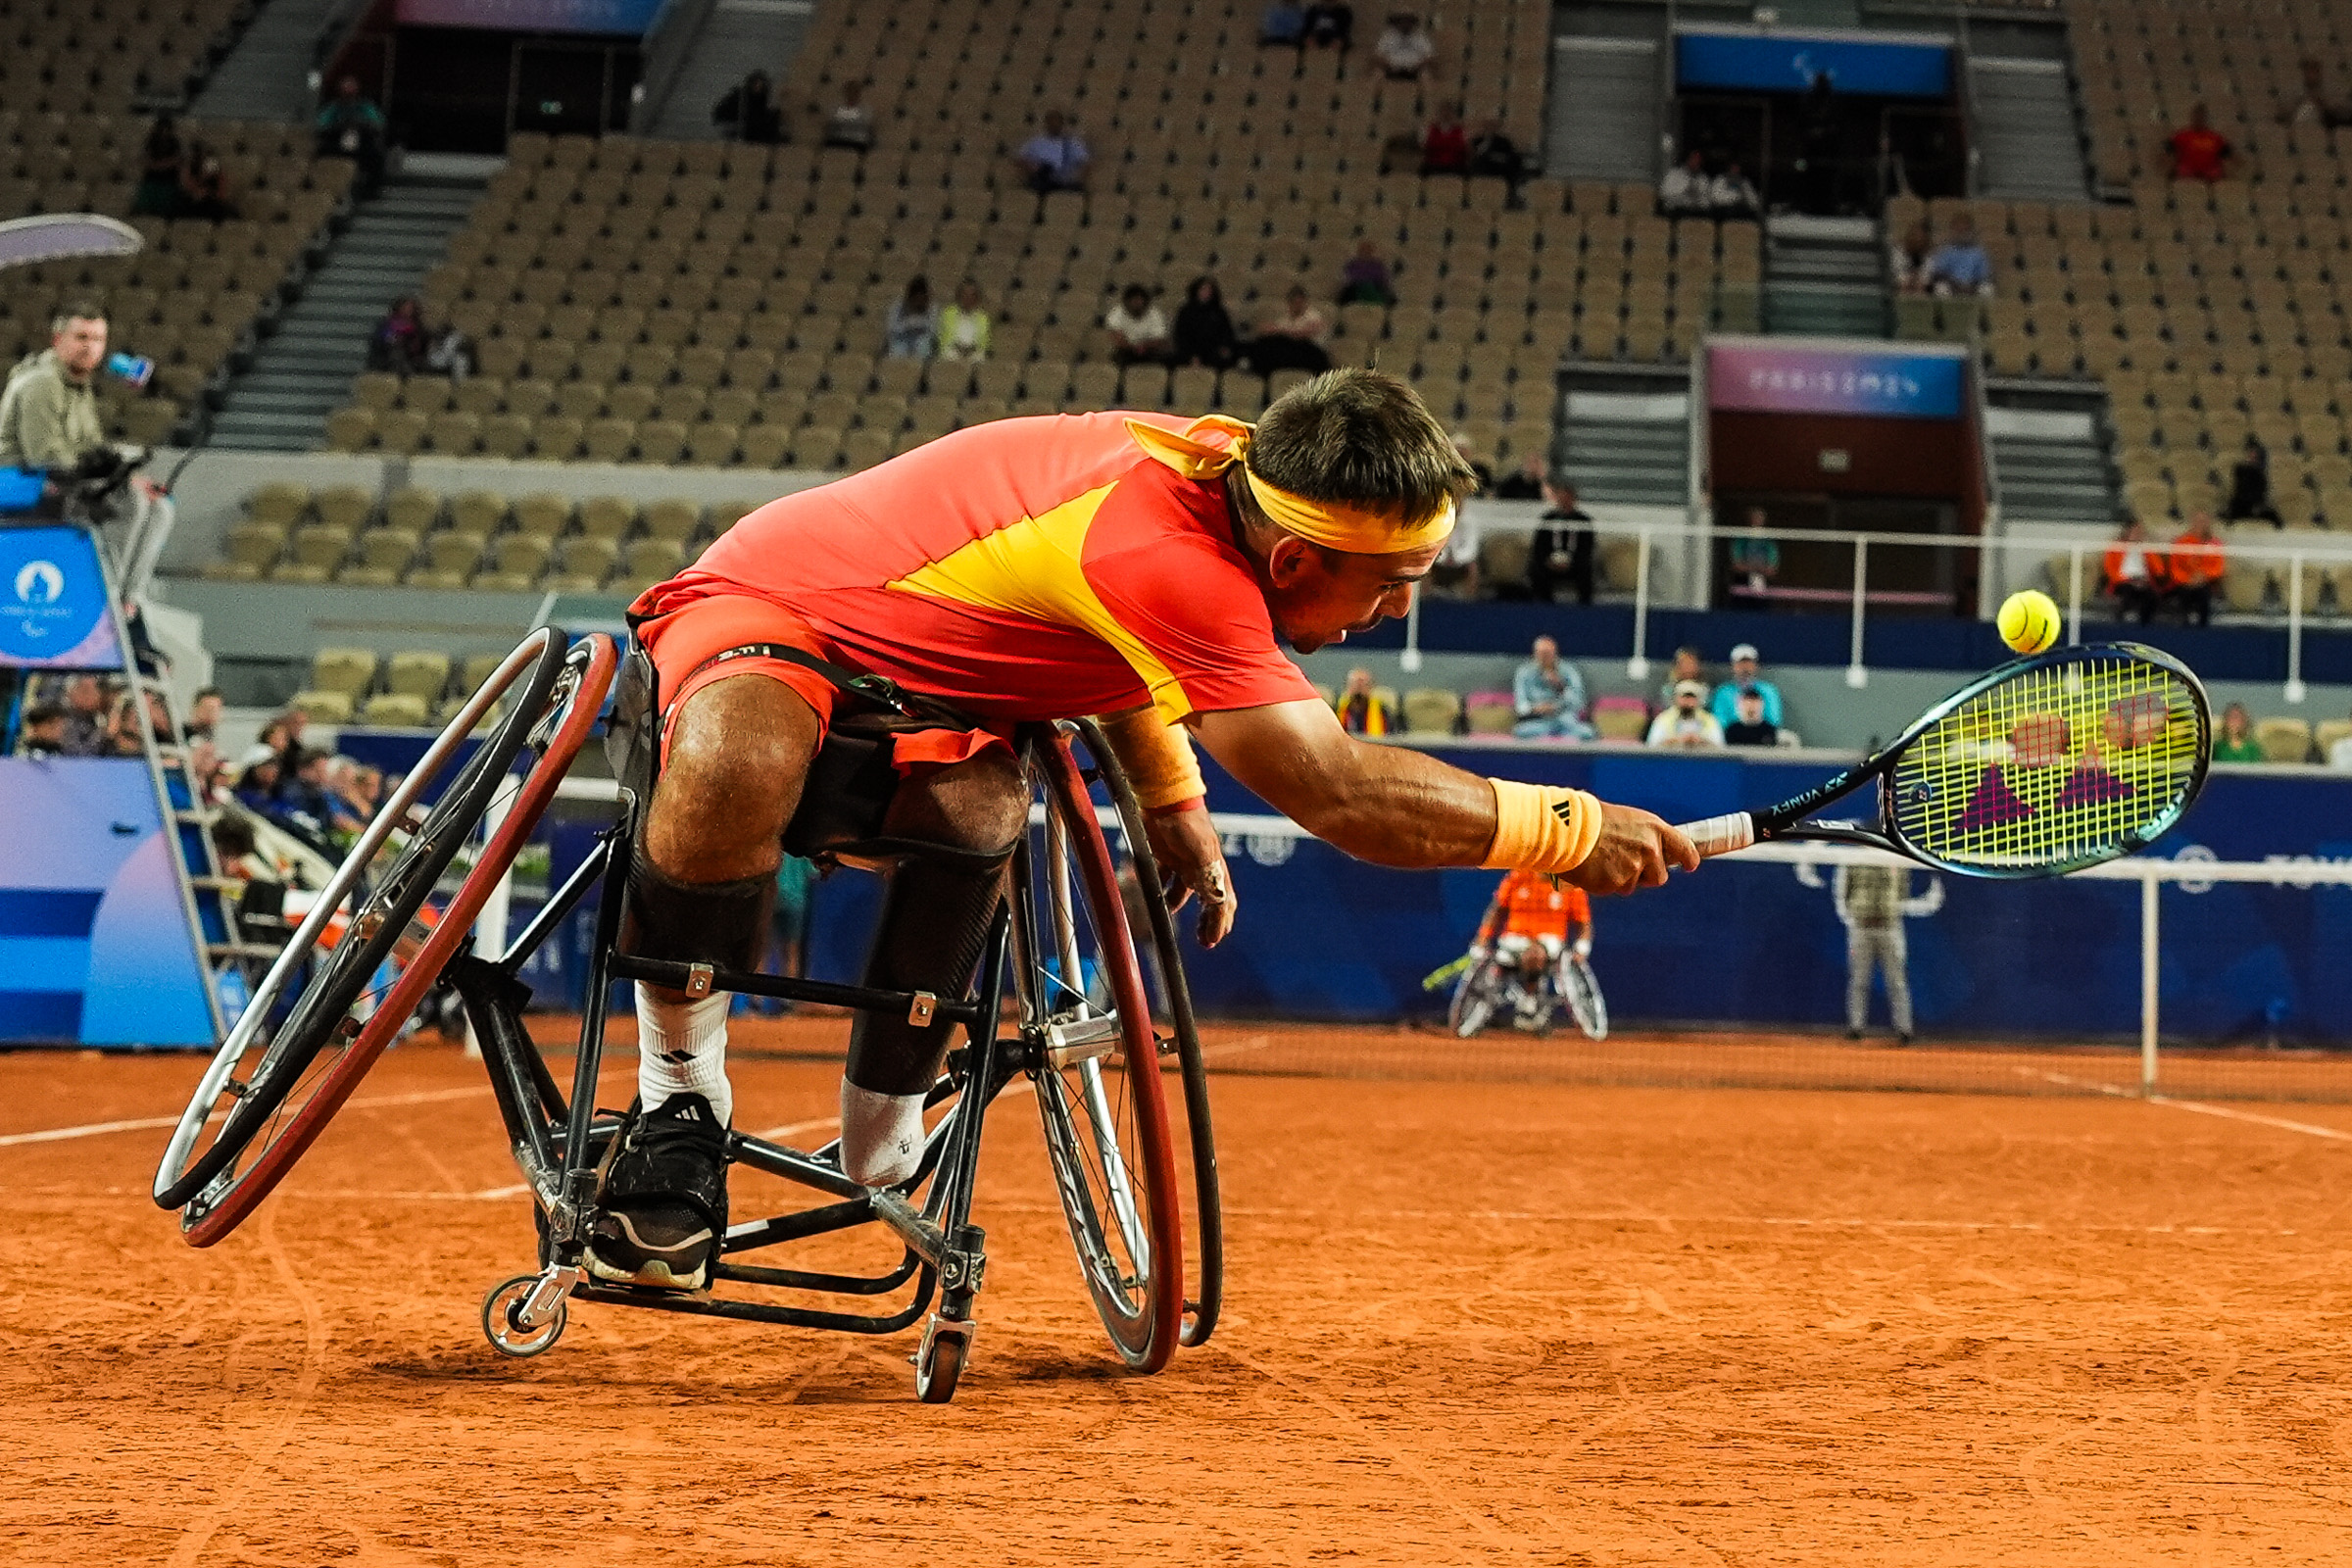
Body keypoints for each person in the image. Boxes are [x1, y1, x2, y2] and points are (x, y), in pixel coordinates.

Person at [599, 368, 1696, 1289]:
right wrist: (1567, 826)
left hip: (946, 677)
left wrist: (1175, 804)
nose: (1399, 613)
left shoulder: (1236, 469)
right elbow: (1342, 794)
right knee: (741, 755)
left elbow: (1113, 635)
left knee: (983, 809)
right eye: (1394, 583)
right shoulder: (1169, 556)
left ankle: (884, 1126)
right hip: (780, 602)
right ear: (1294, 562)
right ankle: (680, 1106)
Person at [1827, 862, 1940, 1044]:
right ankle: (1856, 1028)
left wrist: (1892, 911)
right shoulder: (1853, 860)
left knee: (1897, 982)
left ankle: (1904, 1030)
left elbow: (1902, 891)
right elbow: (1843, 891)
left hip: (1890, 927)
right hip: (1860, 927)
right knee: (1859, 980)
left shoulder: (1896, 861)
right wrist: (1852, 916)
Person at [1471, 867, 1592, 1027]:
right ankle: (1486, 1002)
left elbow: (1583, 923)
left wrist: (1582, 947)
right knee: (1500, 958)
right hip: (1515, 939)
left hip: (1550, 941)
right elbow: (1496, 910)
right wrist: (1481, 940)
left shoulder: (1569, 885)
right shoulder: (1517, 877)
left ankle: (1530, 996)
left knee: (1535, 954)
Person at [0, 302, 109, 479]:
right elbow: (46, 459)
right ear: (58, 339)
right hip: (20, 490)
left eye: (98, 339)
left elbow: (91, 446)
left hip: (55, 488)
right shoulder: (42, 382)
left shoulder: (79, 384)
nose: (90, 347)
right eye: (81, 337)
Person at [316, 76, 388, 196]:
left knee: (377, 155)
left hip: (362, 144)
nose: (348, 98)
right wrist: (340, 125)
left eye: (351, 94)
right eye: (345, 94)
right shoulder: (333, 108)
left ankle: (371, 190)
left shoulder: (366, 107)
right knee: (320, 152)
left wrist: (361, 124)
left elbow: (379, 124)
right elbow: (321, 125)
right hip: (336, 145)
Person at [1511, 635, 1592, 741]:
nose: (1545, 658)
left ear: (1555, 653)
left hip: (1565, 719)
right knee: (1520, 731)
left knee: (1587, 733)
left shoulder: (1569, 671)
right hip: (1538, 722)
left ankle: (1558, 740)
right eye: (1541, 654)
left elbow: (1579, 704)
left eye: (1548, 654)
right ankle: (1553, 739)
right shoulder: (1524, 673)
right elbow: (1520, 706)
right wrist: (1535, 708)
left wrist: (1561, 687)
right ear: (1535, 654)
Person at [1528, 476, 1593, 606]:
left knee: (1587, 573)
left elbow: (1587, 547)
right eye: (1561, 498)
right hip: (1551, 563)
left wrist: (1572, 562)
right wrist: (1548, 560)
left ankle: (1584, 611)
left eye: (1567, 498)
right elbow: (1539, 545)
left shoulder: (1584, 521)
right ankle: (1544, 608)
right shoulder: (1548, 518)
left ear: (1573, 499)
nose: (1564, 502)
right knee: (1536, 571)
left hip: (1574, 565)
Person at [1249, 287, 1332, 374]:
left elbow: (1302, 334)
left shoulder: (1313, 316)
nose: (1297, 305)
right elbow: (1270, 329)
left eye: (1300, 302)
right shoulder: (1287, 318)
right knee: (1266, 343)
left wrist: (1281, 331)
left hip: (1311, 351)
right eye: (1294, 303)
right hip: (1292, 351)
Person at [2166, 513, 2225, 626]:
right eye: (2197, 522)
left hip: (2205, 582)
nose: (2200, 525)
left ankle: (2203, 629)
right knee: (2183, 595)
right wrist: (2186, 580)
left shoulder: (2215, 543)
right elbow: (2174, 567)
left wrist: (2204, 576)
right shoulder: (2181, 542)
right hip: (2184, 583)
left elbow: (2218, 567)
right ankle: (2183, 627)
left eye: (2203, 522)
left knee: (2204, 595)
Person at [1172, 276, 1242, 370]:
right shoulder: (1186, 311)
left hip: (1214, 351)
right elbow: (1181, 336)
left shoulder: (1219, 311)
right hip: (1192, 351)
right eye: (1203, 289)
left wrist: (1225, 347)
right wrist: (1191, 355)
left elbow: (1227, 332)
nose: (1206, 292)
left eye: (1209, 289)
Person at [2104, 519, 2166, 623]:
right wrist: (2128, 580)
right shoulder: (2116, 547)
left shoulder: (2146, 548)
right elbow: (2110, 570)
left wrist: (2148, 547)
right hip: (2122, 582)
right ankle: (2122, 623)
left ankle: (2145, 626)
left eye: (2140, 531)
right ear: (2128, 531)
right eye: (2135, 530)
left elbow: (2159, 570)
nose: (2138, 533)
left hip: (2143, 582)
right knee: (2127, 593)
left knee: (2151, 596)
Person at [1709, 644, 1783, 729]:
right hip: (1731, 738)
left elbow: (1774, 720)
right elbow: (1719, 721)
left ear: (1756, 666)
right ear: (1733, 666)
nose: (1745, 668)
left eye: (1749, 664)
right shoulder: (1723, 692)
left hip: (1763, 735)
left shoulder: (1768, 690)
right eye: (1741, 664)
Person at [1019, 110, 1090, 195]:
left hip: (1066, 181)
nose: (1054, 125)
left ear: (1062, 124)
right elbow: (1022, 160)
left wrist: (1077, 176)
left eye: (1057, 122)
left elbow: (1085, 163)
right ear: (1046, 124)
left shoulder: (1073, 143)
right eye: (1051, 122)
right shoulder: (1035, 142)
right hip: (1042, 181)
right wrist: (1033, 168)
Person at [1924, 215, 1992, 297]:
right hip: (1951, 286)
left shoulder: (1979, 252)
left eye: (1965, 230)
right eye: (1959, 230)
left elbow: (1983, 276)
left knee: (1987, 289)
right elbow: (1939, 274)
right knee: (1941, 288)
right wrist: (1955, 285)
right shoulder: (1945, 251)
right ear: (1953, 231)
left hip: (1973, 287)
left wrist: (1971, 286)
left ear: (1971, 231)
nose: (1962, 233)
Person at [1467, 120, 1533, 206]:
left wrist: (1497, 158)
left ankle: (1509, 196)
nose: (1490, 129)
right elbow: (1475, 154)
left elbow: (1509, 157)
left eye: (1492, 127)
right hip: (1482, 169)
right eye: (1487, 127)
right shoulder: (1477, 140)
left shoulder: (1504, 142)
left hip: (1499, 169)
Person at [1102, 284, 1171, 367]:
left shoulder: (1155, 314)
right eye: (1134, 300)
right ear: (1127, 301)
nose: (1137, 303)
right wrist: (1134, 348)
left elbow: (1159, 339)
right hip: (1126, 350)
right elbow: (1117, 338)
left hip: (1150, 350)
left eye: (1140, 300)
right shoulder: (1116, 313)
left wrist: (1144, 346)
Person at [713, 70, 784, 145]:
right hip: (740, 132)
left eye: (760, 84)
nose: (758, 87)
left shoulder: (762, 101)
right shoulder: (740, 98)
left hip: (755, 135)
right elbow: (720, 114)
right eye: (755, 84)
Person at [133, 113, 184, 217]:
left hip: (169, 180)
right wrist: (160, 165)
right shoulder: (151, 142)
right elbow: (145, 160)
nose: (164, 132)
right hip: (152, 179)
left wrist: (160, 165)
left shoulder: (175, 143)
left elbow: (176, 161)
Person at [2167, 103, 2233, 183]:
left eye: (2201, 116)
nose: (2199, 119)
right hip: (2187, 173)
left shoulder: (2215, 138)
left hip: (2210, 173)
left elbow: (2229, 156)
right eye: (2197, 116)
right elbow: (2167, 154)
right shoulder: (2181, 136)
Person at [2224, 436, 2282, 525]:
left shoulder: (2260, 474)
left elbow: (2262, 492)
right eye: (2250, 452)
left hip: (2256, 504)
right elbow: (2239, 488)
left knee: (2273, 517)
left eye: (2254, 453)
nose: (2252, 455)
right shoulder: (2240, 469)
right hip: (2241, 504)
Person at [1647, 680, 1724, 748]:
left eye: (1691, 698)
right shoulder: (1663, 719)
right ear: (1676, 698)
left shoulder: (1709, 720)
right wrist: (1674, 741)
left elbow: (1720, 746)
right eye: (1684, 697)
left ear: (1698, 700)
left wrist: (1701, 741)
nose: (1687, 702)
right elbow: (1652, 745)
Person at [2279, 59, 2350, 129]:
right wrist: (2300, 101)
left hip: (2325, 124)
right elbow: (2284, 111)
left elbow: (2341, 110)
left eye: (2314, 72)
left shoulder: (2331, 90)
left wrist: (2322, 103)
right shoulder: (2294, 90)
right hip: (2298, 125)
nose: (2312, 75)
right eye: (2309, 72)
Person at [1727, 506, 1780, 594]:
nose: (1756, 522)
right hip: (1742, 580)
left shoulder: (1769, 541)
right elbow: (1736, 565)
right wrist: (1753, 568)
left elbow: (1772, 568)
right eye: (1754, 518)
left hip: (1764, 581)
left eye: (1759, 519)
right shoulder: (1741, 539)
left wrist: (1759, 569)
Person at [368, 296, 430, 374]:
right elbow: (380, 339)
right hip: (388, 357)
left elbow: (423, 343)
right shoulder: (387, 324)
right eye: (405, 307)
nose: (408, 309)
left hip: (411, 358)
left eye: (410, 307)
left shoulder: (418, 326)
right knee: (396, 353)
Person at [935, 280, 991, 363]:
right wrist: (957, 346)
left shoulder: (983, 318)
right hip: (952, 349)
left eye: (972, 296)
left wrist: (973, 348)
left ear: (977, 299)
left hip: (973, 351)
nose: (968, 299)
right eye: (965, 295)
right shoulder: (948, 313)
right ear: (958, 297)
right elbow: (941, 336)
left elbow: (984, 341)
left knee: (979, 357)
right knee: (950, 355)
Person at [884, 277, 939, 360]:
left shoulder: (932, 307)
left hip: (922, 339)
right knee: (898, 348)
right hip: (901, 338)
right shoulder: (897, 307)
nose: (919, 302)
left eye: (922, 299)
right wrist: (907, 324)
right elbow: (891, 329)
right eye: (916, 299)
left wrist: (920, 323)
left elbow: (933, 330)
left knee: (923, 344)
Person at [1333, 667, 1392, 736]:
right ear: (1347, 687)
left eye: (1364, 684)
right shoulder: (1336, 711)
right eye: (1355, 684)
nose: (1359, 688)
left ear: (1371, 687)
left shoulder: (1383, 712)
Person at [1337, 240, 1396, 307]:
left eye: (1367, 250)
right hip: (1355, 289)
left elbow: (1382, 279)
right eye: (1362, 250)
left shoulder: (1378, 265)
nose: (1365, 252)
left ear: (1371, 251)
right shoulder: (1352, 264)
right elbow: (1348, 278)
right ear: (1359, 252)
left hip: (1375, 287)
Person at [1375, 12, 1433, 80]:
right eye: (1402, 21)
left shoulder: (1421, 37)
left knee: (1426, 76)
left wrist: (1417, 66)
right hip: (1391, 69)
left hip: (1415, 70)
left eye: (1408, 21)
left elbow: (1429, 56)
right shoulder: (1387, 37)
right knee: (1377, 74)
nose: (1405, 24)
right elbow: (1379, 55)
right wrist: (1388, 66)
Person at [821, 80, 875, 152]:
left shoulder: (866, 109)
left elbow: (865, 123)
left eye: (855, 92)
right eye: (849, 92)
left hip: (858, 142)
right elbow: (832, 122)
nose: (852, 95)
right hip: (838, 140)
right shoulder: (835, 108)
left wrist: (844, 120)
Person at [1420, 102, 1468, 175]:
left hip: (1455, 166)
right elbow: (1424, 147)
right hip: (1434, 165)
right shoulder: (1430, 130)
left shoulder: (1461, 130)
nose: (1445, 114)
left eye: (1448, 111)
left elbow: (1467, 149)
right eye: (1443, 111)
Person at [1660, 150, 1711, 217]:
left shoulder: (1703, 179)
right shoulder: (1674, 174)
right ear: (1688, 159)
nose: (1696, 163)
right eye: (1694, 160)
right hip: (1675, 211)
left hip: (1696, 212)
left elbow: (1707, 202)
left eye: (1698, 162)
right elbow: (1664, 193)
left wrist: (1697, 196)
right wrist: (1685, 191)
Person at [1657, 646, 1707, 710]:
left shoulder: (1704, 689)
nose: (1689, 668)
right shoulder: (1668, 690)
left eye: (1692, 663)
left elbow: (1704, 708)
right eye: (1685, 663)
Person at [1890, 220, 1934, 293]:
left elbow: (1926, 278)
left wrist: (1916, 279)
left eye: (1921, 240)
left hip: (1919, 288)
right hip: (1896, 287)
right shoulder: (1896, 254)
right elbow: (1894, 276)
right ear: (1908, 238)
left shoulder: (1927, 257)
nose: (1918, 242)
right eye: (1915, 238)